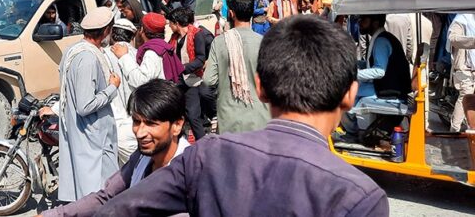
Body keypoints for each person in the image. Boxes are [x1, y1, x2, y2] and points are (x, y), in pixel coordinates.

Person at [94, 16, 389, 217]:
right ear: (350, 94)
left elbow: (123, 207)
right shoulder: (360, 196)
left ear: (260, 87)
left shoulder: (207, 155)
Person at [42, 79, 190, 217]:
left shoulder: (189, 172)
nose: (140, 132)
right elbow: (106, 196)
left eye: (151, 124)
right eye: (136, 122)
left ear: (177, 125)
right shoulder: (142, 157)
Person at [39, 7, 121, 202]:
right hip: (92, 135)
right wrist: (112, 88)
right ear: (105, 31)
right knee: (97, 191)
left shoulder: (74, 49)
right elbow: (85, 106)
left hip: (85, 133)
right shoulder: (87, 58)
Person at [205, 0, 269, 134]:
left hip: (229, 119)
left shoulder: (220, 42)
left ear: (231, 13)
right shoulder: (264, 42)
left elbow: (209, 80)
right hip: (261, 119)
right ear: (252, 12)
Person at [341, 14, 411, 139]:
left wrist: (352, 74)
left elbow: (379, 71)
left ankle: (351, 133)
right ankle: (354, 128)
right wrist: (355, 64)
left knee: (346, 94)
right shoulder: (381, 38)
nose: (360, 23)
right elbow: (371, 63)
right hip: (387, 86)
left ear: (375, 22)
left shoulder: (381, 41)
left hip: (389, 90)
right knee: (354, 90)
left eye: (364, 19)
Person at [169, 7, 214, 140]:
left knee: (193, 115)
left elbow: (200, 59)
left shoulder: (197, 34)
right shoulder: (174, 38)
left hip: (193, 80)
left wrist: (183, 68)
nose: (169, 26)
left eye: (170, 23)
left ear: (176, 23)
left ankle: (202, 144)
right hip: (178, 81)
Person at [112, 13, 182, 89]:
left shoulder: (152, 52)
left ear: (142, 30)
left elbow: (142, 81)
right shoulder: (162, 46)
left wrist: (124, 57)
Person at [102, 18, 138, 164]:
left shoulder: (101, 55)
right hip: (136, 123)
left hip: (112, 124)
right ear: (132, 37)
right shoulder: (139, 55)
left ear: (111, 34)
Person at [447, 12, 475, 132]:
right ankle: (454, 130)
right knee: (466, 95)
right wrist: (472, 41)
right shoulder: (462, 19)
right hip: (464, 67)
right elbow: (453, 38)